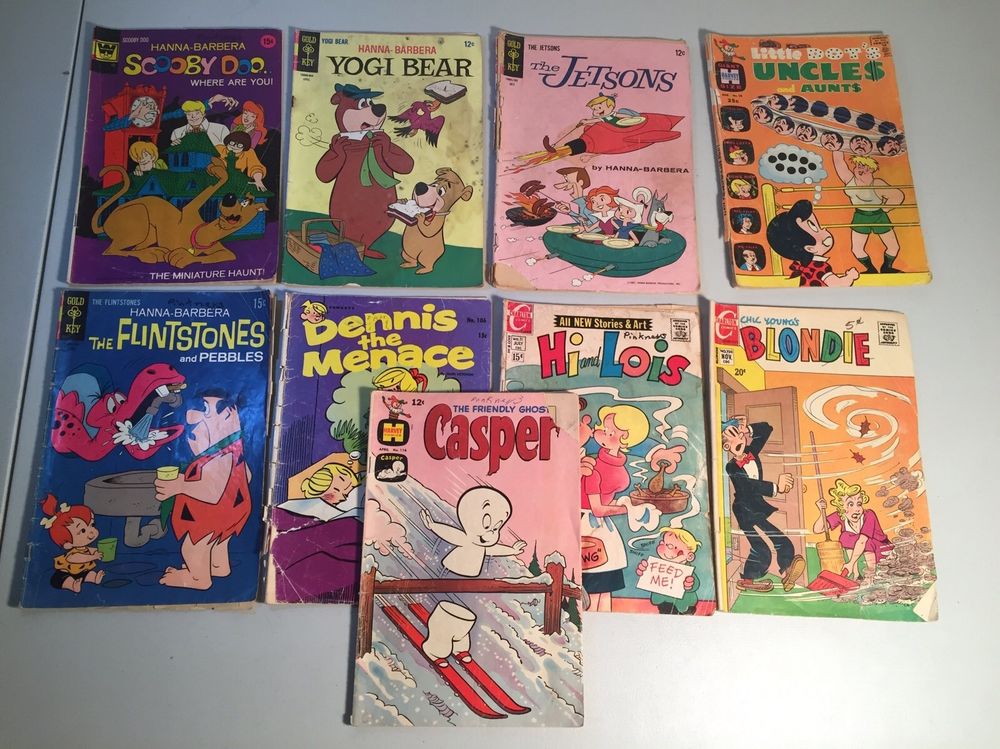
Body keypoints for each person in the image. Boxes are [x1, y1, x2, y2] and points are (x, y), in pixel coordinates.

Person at [154, 389, 252, 589]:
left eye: (206, 409)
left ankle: (198, 579)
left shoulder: (219, 458)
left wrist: (179, 485)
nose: (193, 416)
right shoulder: (233, 448)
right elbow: (247, 476)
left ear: (228, 415)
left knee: (193, 548)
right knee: (218, 541)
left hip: (210, 513)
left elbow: (212, 493)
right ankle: (219, 567)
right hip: (235, 509)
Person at [721, 416, 805, 593]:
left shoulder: (751, 452)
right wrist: (776, 488)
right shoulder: (731, 467)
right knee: (761, 549)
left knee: (780, 540)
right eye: (735, 438)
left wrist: (747, 429)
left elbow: (767, 429)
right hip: (744, 510)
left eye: (741, 436)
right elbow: (749, 486)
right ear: (726, 447)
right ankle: (747, 580)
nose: (741, 440)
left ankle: (787, 571)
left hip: (756, 507)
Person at [580, 405, 648, 611]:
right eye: (603, 428)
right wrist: (627, 509)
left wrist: (625, 507)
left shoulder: (600, 467)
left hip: (598, 530)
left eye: (609, 432)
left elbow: (601, 507)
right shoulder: (593, 465)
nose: (599, 432)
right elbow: (599, 509)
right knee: (596, 591)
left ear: (624, 438)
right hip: (592, 527)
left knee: (601, 589)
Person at [270, 462, 364, 602]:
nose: (343, 497)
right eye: (338, 490)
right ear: (322, 484)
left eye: (346, 493)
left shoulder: (337, 513)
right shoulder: (293, 510)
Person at [832, 152, 905, 273]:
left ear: (871, 169)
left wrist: (885, 208)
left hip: (879, 216)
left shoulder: (877, 183)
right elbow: (839, 163)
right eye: (857, 166)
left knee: (894, 247)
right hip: (860, 216)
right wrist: (836, 149)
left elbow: (898, 195)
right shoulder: (850, 180)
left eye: (863, 166)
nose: (859, 169)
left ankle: (887, 267)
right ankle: (870, 269)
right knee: (857, 249)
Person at [813, 478, 892, 582]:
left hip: (882, 551)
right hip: (865, 550)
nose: (857, 509)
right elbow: (817, 529)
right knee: (845, 537)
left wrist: (850, 563)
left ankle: (871, 576)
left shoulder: (869, 515)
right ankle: (857, 575)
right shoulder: (841, 516)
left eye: (859, 504)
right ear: (842, 507)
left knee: (866, 541)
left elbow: (862, 541)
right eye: (850, 504)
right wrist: (821, 511)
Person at [766, 199, 860, 286]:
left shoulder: (807, 266)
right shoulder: (820, 267)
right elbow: (838, 285)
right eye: (815, 228)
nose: (824, 229)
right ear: (810, 248)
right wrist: (850, 277)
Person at [39, 494, 105, 593]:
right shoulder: (72, 554)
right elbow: (75, 558)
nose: (91, 532)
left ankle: (94, 578)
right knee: (58, 580)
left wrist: (97, 552)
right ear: (67, 544)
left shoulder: (85, 548)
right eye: (83, 530)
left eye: (92, 525)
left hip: (82, 571)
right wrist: (93, 557)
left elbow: (91, 550)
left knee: (88, 574)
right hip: (66, 572)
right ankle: (72, 585)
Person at [635, 527, 701, 614]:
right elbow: (651, 578)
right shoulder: (657, 566)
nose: (665, 547)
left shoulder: (687, 571)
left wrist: (690, 584)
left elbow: (695, 584)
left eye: (671, 546)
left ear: (690, 556)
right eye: (664, 543)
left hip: (683, 605)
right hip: (663, 603)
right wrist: (644, 571)